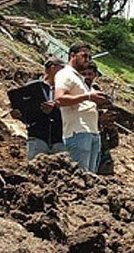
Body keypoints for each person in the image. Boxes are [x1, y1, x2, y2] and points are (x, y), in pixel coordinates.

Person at [54, 42, 107, 173]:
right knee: (80, 177)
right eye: (84, 56)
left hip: (92, 132)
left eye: (90, 57)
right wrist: (88, 97)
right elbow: (59, 99)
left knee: (91, 178)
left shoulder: (79, 78)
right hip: (78, 132)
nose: (87, 60)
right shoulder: (64, 74)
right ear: (73, 55)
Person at [11, 58, 67, 160]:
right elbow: (26, 111)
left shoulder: (66, 91)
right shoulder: (32, 87)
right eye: (63, 69)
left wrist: (54, 109)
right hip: (37, 137)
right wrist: (19, 114)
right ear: (53, 68)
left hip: (60, 139)